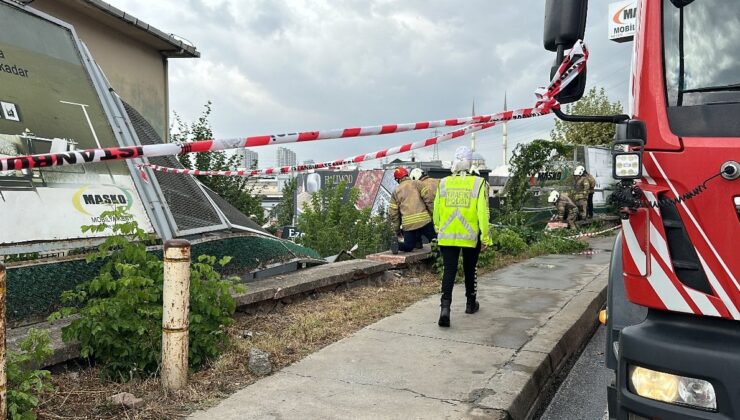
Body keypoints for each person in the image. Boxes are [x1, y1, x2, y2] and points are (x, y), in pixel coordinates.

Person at [433, 147, 493, 328]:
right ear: (471, 163)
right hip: (470, 236)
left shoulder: (443, 183)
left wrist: (439, 228)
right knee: (470, 269)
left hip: (447, 236)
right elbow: (482, 213)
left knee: (449, 271)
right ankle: (470, 303)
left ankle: (445, 308)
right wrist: (486, 237)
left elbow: (436, 212)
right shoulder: (478, 183)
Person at [388, 167, 437, 254]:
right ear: (407, 175)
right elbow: (428, 199)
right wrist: (433, 213)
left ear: (397, 179)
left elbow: (393, 213)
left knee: (409, 246)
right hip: (424, 221)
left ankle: (397, 245)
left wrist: (397, 229)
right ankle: (439, 260)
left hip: (408, 225)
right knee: (435, 241)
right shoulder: (417, 183)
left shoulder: (395, 191)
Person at [409, 168, 439, 249]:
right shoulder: (437, 181)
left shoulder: (421, 186)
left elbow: (428, 202)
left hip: (431, 215)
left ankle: (418, 243)